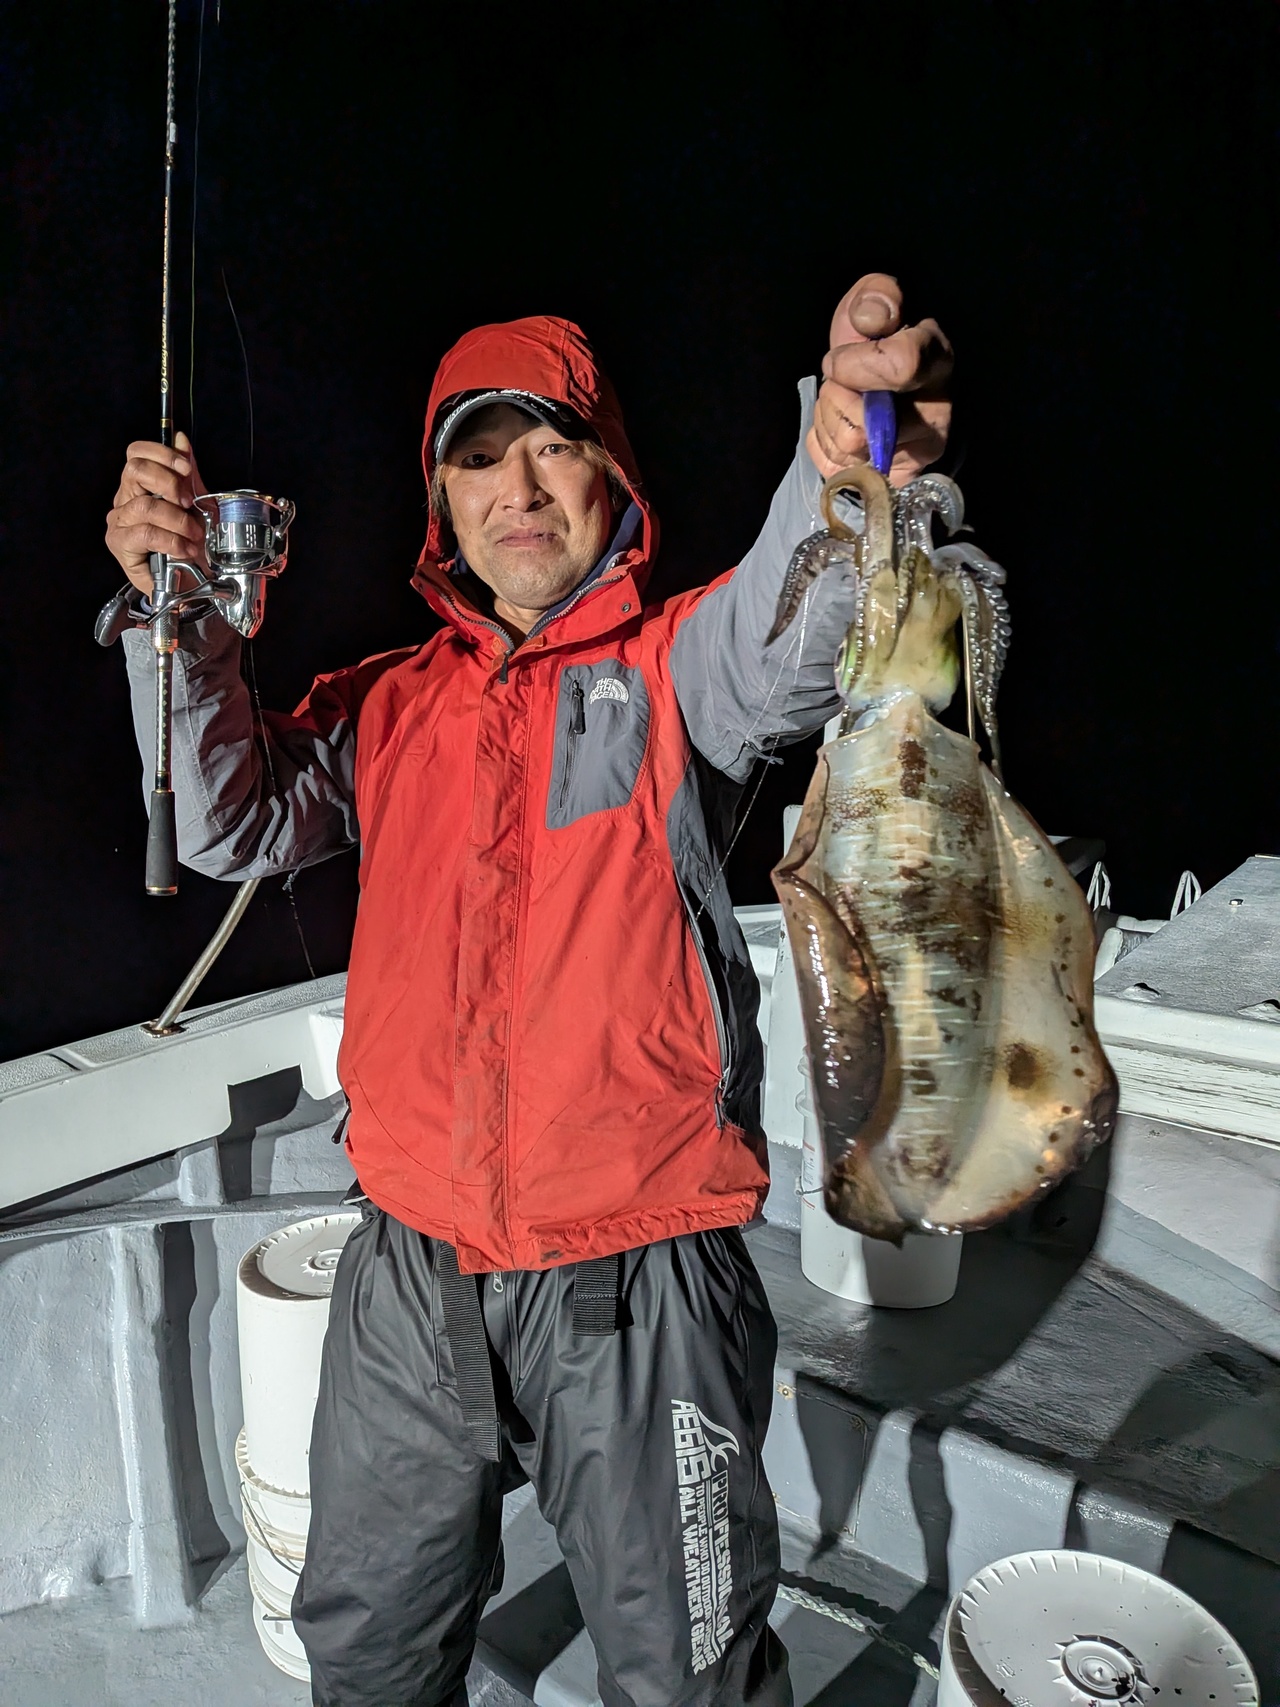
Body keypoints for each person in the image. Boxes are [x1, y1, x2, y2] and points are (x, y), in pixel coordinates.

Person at [104, 274, 952, 1707]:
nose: (519, 488)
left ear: (612, 475)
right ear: (442, 502)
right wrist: (179, 624)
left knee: (684, 1676)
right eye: (480, 457)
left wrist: (846, 470)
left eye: (555, 447)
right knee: (366, 1652)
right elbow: (225, 821)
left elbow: (797, 630)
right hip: (410, 1270)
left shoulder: (678, 670)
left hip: (640, 1277)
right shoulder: (390, 705)